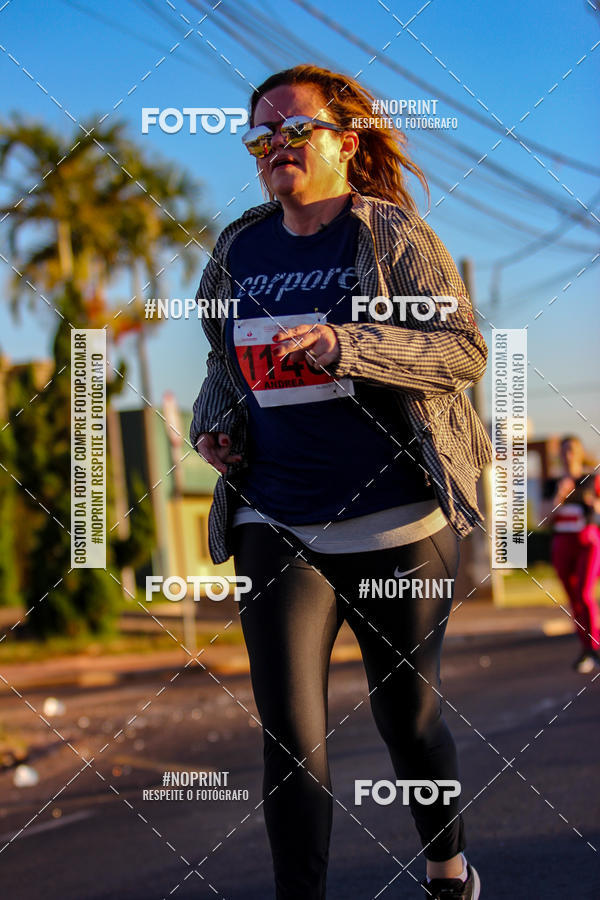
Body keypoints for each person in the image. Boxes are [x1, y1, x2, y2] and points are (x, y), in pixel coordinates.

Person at [190, 64, 492, 900]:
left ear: (346, 142)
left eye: (295, 130)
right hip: (276, 516)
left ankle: (448, 867)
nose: (274, 147)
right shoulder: (239, 246)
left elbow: (463, 351)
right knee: (290, 739)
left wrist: (345, 345)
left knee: (410, 720)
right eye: (260, 136)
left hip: (395, 520)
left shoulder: (390, 235)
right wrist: (211, 429)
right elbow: (224, 365)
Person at [543, 436, 600, 673]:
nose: (569, 455)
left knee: (584, 593)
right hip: (562, 544)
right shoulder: (553, 482)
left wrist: (592, 503)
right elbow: (544, 519)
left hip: (587, 542)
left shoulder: (591, 479)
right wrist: (559, 495)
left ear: (579, 453)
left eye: (573, 450)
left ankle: (595, 646)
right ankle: (586, 650)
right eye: (565, 451)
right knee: (573, 601)